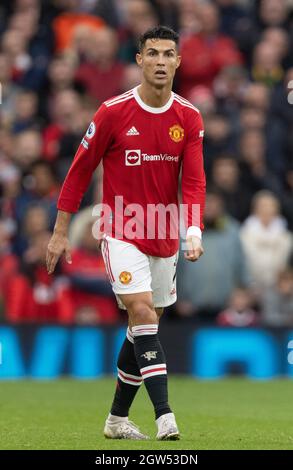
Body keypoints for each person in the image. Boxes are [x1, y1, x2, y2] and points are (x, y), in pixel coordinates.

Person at [46, 26, 206, 441]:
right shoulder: (113, 112)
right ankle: (165, 415)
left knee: (143, 329)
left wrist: (192, 227)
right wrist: (60, 232)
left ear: (177, 62)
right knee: (141, 312)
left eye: (167, 54)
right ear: (138, 60)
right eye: (151, 53)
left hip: (165, 233)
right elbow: (79, 172)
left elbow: (194, 181)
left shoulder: (188, 116)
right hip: (120, 229)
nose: (159, 61)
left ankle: (116, 419)